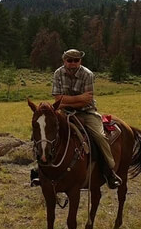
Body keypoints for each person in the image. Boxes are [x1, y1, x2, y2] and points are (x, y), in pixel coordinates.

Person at [51, 48, 122, 189]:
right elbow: (57, 98)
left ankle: (110, 171)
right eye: (69, 60)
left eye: (76, 60)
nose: (72, 63)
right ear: (64, 61)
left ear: (80, 61)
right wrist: (77, 98)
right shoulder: (58, 73)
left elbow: (85, 101)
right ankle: (40, 169)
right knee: (46, 133)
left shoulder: (87, 74)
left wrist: (67, 101)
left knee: (100, 137)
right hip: (64, 112)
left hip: (86, 112)